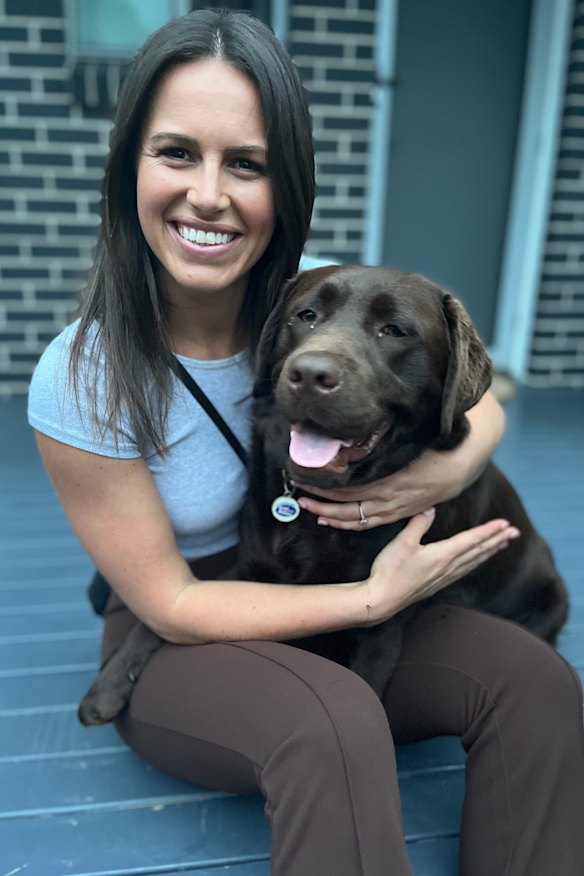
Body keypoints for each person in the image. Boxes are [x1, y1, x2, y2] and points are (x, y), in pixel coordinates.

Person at [28, 9, 584, 875]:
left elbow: (478, 398)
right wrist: (371, 603)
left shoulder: (308, 295)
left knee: (541, 683)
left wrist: (439, 472)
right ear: (127, 165)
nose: (208, 194)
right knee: (333, 721)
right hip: (186, 626)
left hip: (327, 575)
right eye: (176, 151)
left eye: (244, 163)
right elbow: (173, 604)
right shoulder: (81, 374)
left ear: (283, 184)